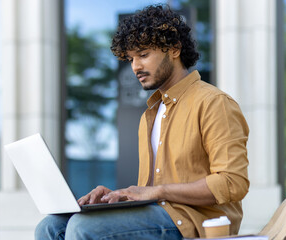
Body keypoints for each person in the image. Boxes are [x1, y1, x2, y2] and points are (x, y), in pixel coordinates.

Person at [35, 4, 249, 240]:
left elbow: (233, 182)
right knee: (50, 226)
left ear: (174, 49)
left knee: (84, 228)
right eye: (130, 58)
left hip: (196, 222)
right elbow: (148, 192)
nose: (135, 66)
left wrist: (158, 191)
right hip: (157, 214)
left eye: (144, 55)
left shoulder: (213, 102)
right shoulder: (152, 113)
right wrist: (119, 196)